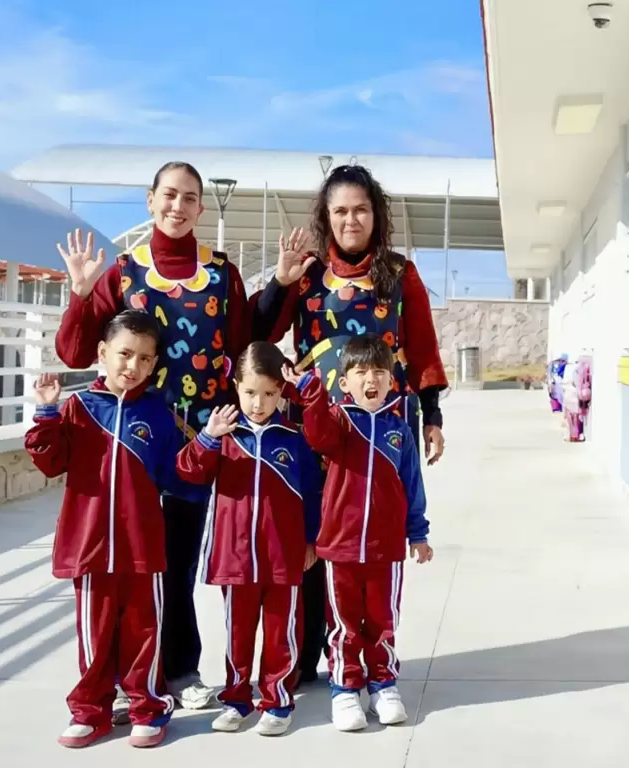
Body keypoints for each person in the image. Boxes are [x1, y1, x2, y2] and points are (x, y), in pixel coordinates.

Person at [54, 161, 251, 711]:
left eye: (190, 198)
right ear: (150, 200)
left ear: (201, 208)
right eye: (169, 195)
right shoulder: (120, 272)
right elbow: (73, 353)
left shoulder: (222, 274)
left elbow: (240, 349)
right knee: (130, 568)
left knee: (179, 562)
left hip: (196, 444)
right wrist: (79, 292)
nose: (178, 206)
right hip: (131, 445)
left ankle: (180, 669)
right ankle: (123, 678)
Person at [251, 163, 448, 684]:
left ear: (375, 214)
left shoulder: (400, 273)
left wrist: (431, 415)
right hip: (317, 426)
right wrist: (279, 281)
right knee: (316, 537)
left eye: (360, 208)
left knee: (368, 543)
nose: (351, 219)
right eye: (340, 210)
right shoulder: (308, 272)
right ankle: (308, 655)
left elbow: (423, 345)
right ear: (326, 216)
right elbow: (261, 332)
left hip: (384, 432)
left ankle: (368, 657)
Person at [25, 311, 184, 749]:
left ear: (153, 366)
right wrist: (46, 412)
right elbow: (50, 460)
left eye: (143, 359)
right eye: (124, 354)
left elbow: (176, 475)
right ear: (102, 353)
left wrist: (207, 445)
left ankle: (147, 707)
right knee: (94, 637)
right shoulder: (77, 408)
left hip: (141, 548)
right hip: (90, 547)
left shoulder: (159, 415)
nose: (132, 366)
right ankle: (91, 711)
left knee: (142, 634)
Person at [283, 335, 433, 732]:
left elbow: (412, 483)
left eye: (380, 372)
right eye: (361, 372)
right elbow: (316, 434)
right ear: (344, 382)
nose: (372, 379)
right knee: (345, 623)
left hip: (387, 549)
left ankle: (383, 683)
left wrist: (418, 532)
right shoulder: (338, 422)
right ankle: (345, 688)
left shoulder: (399, 429)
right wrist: (310, 393)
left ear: (391, 380)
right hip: (341, 547)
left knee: (382, 619)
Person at [176, 342, 322, 736]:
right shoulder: (224, 435)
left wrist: (311, 541)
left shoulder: (295, 439)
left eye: (270, 393)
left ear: (281, 392)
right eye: (250, 392)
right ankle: (237, 699)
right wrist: (207, 436)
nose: (259, 403)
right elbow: (187, 472)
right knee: (237, 635)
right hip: (235, 559)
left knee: (281, 632)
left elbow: (313, 495)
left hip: (283, 558)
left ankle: (277, 700)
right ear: (236, 386)